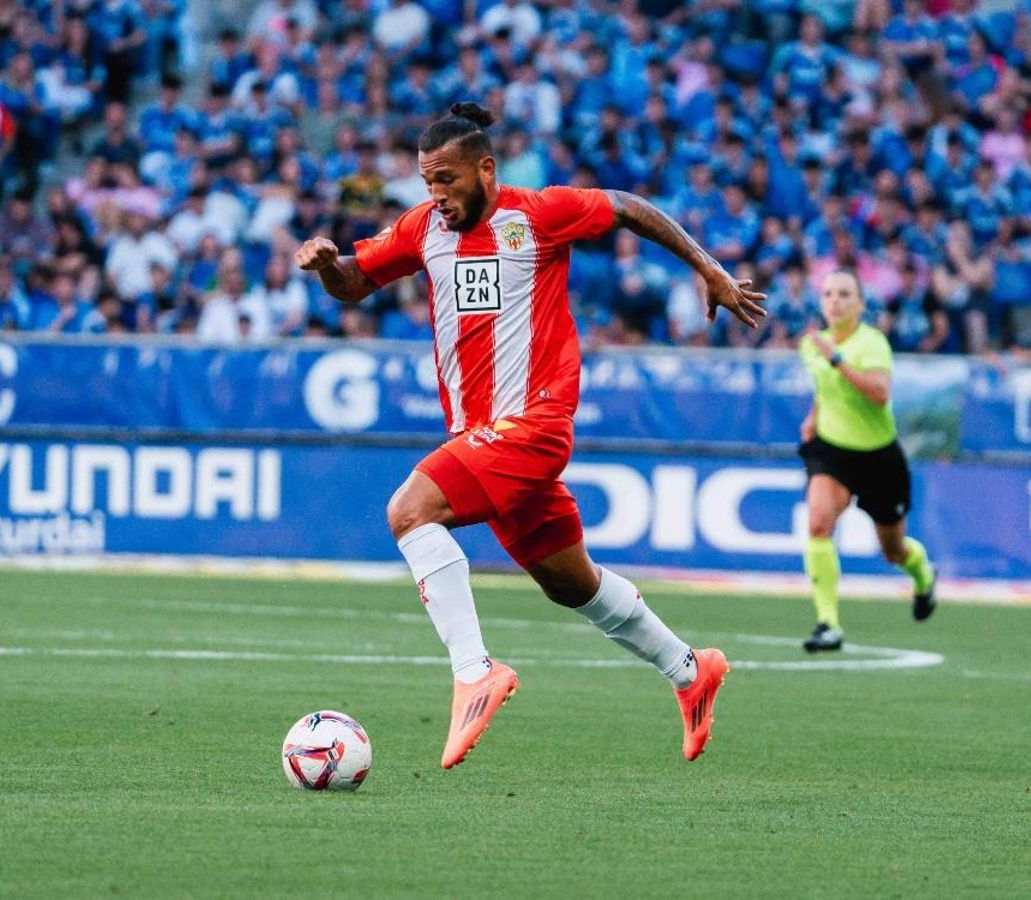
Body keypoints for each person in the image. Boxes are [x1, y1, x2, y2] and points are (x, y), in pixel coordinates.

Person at [293, 103, 766, 768]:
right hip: (483, 433)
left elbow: (627, 206)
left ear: (486, 169)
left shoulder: (538, 214)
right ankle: (690, 669)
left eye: (448, 180)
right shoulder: (422, 229)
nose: (438, 194)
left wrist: (707, 266)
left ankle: (474, 671)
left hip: (534, 423)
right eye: (428, 181)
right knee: (571, 584)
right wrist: (326, 266)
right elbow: (354, 283)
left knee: (409, 511)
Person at [796, 271, 937, 652]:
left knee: (893, 551)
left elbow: (878, 394)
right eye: (828, 294)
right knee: (819, 523)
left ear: (860, 304)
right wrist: (814, 416)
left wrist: (837, 359)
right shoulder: (812, 345)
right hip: (832, 450)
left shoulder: (871, 344)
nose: (835, 301)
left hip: (878, 457)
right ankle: (828, 624)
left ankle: (924, 576)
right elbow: (824, 390)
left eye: (844, 294)